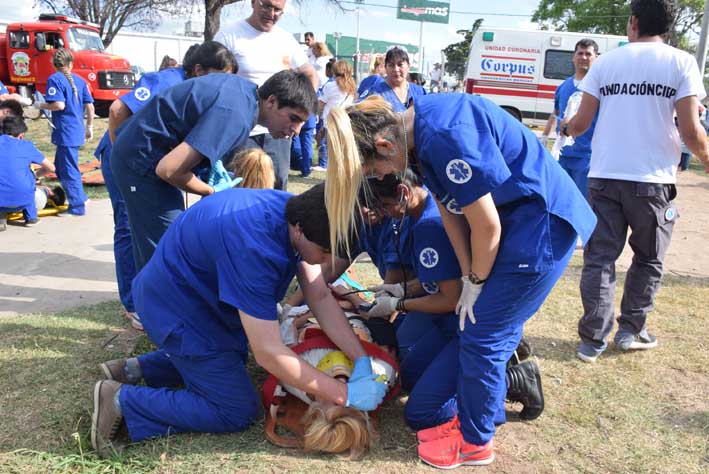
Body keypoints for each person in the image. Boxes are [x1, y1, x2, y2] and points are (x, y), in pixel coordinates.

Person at [324, 93, 596, 468]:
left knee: (483, 334)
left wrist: (476, 280)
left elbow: (486, 224)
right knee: (474, 329)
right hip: (517, 225)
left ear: (385, 145)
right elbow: (452, 211)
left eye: (375, 170)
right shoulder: (419, 135)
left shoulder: (441, 135)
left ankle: (475, 443)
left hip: (539, 225)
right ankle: (482, 406)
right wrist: (471, 276)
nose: (381, 178)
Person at [91, 184, 387, 457]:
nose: (325, 262)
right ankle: (121, 401)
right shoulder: (256, 248)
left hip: (194, 299)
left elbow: (320, 297)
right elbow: (269, 352)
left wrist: (360, 359)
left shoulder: (296, 210)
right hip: (175, 309)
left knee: (232, 357)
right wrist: (343, 393)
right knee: (235, 409)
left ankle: (136, 369)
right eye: (324, 252)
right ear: (299, 231)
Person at [563, 0, 709, 363]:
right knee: (648, 258)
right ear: (668, 26)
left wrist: (565, 127)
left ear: (633, 23)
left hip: (604, 177)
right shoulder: (682, 62)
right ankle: (631, 330)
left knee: (600, 258)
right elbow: (691, 130)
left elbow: (580, 124)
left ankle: (591, 340)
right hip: (653, 180)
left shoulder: (607, 62)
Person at [366, 171, 545, 423]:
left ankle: (510, 380)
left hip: (462, 323)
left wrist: (398, 303)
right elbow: (443, 277)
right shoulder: (426, 210)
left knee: (421, 414)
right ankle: (490, 367)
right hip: (451, 321)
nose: (384, 213)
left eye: (385, 205)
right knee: (407, 379)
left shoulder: (428, 225)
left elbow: (450, 299)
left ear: (404, 193)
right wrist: (403, 289)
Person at [111, 70, 316, 272]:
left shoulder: (245, 95)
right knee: (167, 252)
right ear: (271, 101)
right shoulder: (236, 115)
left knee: (169, 248)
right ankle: (153, 302)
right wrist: (211, 192)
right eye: (293, 118)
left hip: (149, 156)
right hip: (140, 162)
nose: (296, 130)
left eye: (302, 123)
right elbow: (169, 169)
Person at [97, 42, 229, 331]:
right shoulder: (166, 80)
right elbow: (119, 109)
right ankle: (135, 303)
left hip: (145, 164)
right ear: (198, 70)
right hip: (126, 161)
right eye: (219, 76)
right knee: (129, 226)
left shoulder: (195, 89)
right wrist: (124, 156)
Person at [214, 0, 318, 190]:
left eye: (278, 9)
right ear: (253, 2)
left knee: (277, 189)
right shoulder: (229, 35)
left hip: (277, 135)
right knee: (238, 188)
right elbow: (215, 82)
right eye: (266, 6)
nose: (271, 13)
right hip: (241, 132)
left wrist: (301, 118)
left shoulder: (286, 39)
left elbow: (310, 73)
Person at [32, 48, 94, 216]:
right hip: (76, 130)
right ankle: (81, 197)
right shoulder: (80, 81)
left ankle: (77, 207)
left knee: (69, 170)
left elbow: (59, 105)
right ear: (71, 64)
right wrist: (89, 126)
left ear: (54, 64)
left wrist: (40, 105)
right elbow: (90, 106)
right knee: (60, 167)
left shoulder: (55, 79)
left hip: (65, 132)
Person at [541, 39, 599, 199]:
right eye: (580, 53)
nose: (584, 57)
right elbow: (556, 113)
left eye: (588, 54)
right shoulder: (564, 86)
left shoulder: (600, 87)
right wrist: (545, 138)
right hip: (563, 157)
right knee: (560, 201)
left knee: (584, 204)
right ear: (573, 57)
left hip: (587, 158)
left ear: (596, 57)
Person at [0, 116, 56, 231]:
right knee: (27, 179)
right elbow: (51, 168)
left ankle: (1, 219)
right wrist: (35, 176)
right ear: (21, 135)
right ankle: (31, 218)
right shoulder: (27, 146)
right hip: (23, 198)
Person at [314, 60, 355, 172]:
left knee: (325, 143)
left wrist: (318, 114)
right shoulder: (352, 86)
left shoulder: (331, 86)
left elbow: (321, 103)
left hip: (330, 119)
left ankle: (323, 164)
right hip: (344, 120)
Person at [359, 47, 425, 112]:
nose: (396, 69)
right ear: (385, 68)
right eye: (391, 65)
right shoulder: (375, 92)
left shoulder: (420, 92)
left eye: (400, 64)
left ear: (408, 66)